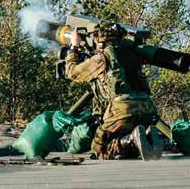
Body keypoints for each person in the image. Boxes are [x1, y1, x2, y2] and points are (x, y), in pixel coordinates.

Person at [65, 20, 162, 160]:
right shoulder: (133, 53)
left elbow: (72, 72)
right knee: (129, 148)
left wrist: (74, 46)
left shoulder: (101, 58)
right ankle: (147, 136)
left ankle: (131, 139)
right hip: (148, 109)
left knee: (100, 150)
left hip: (122, 110)